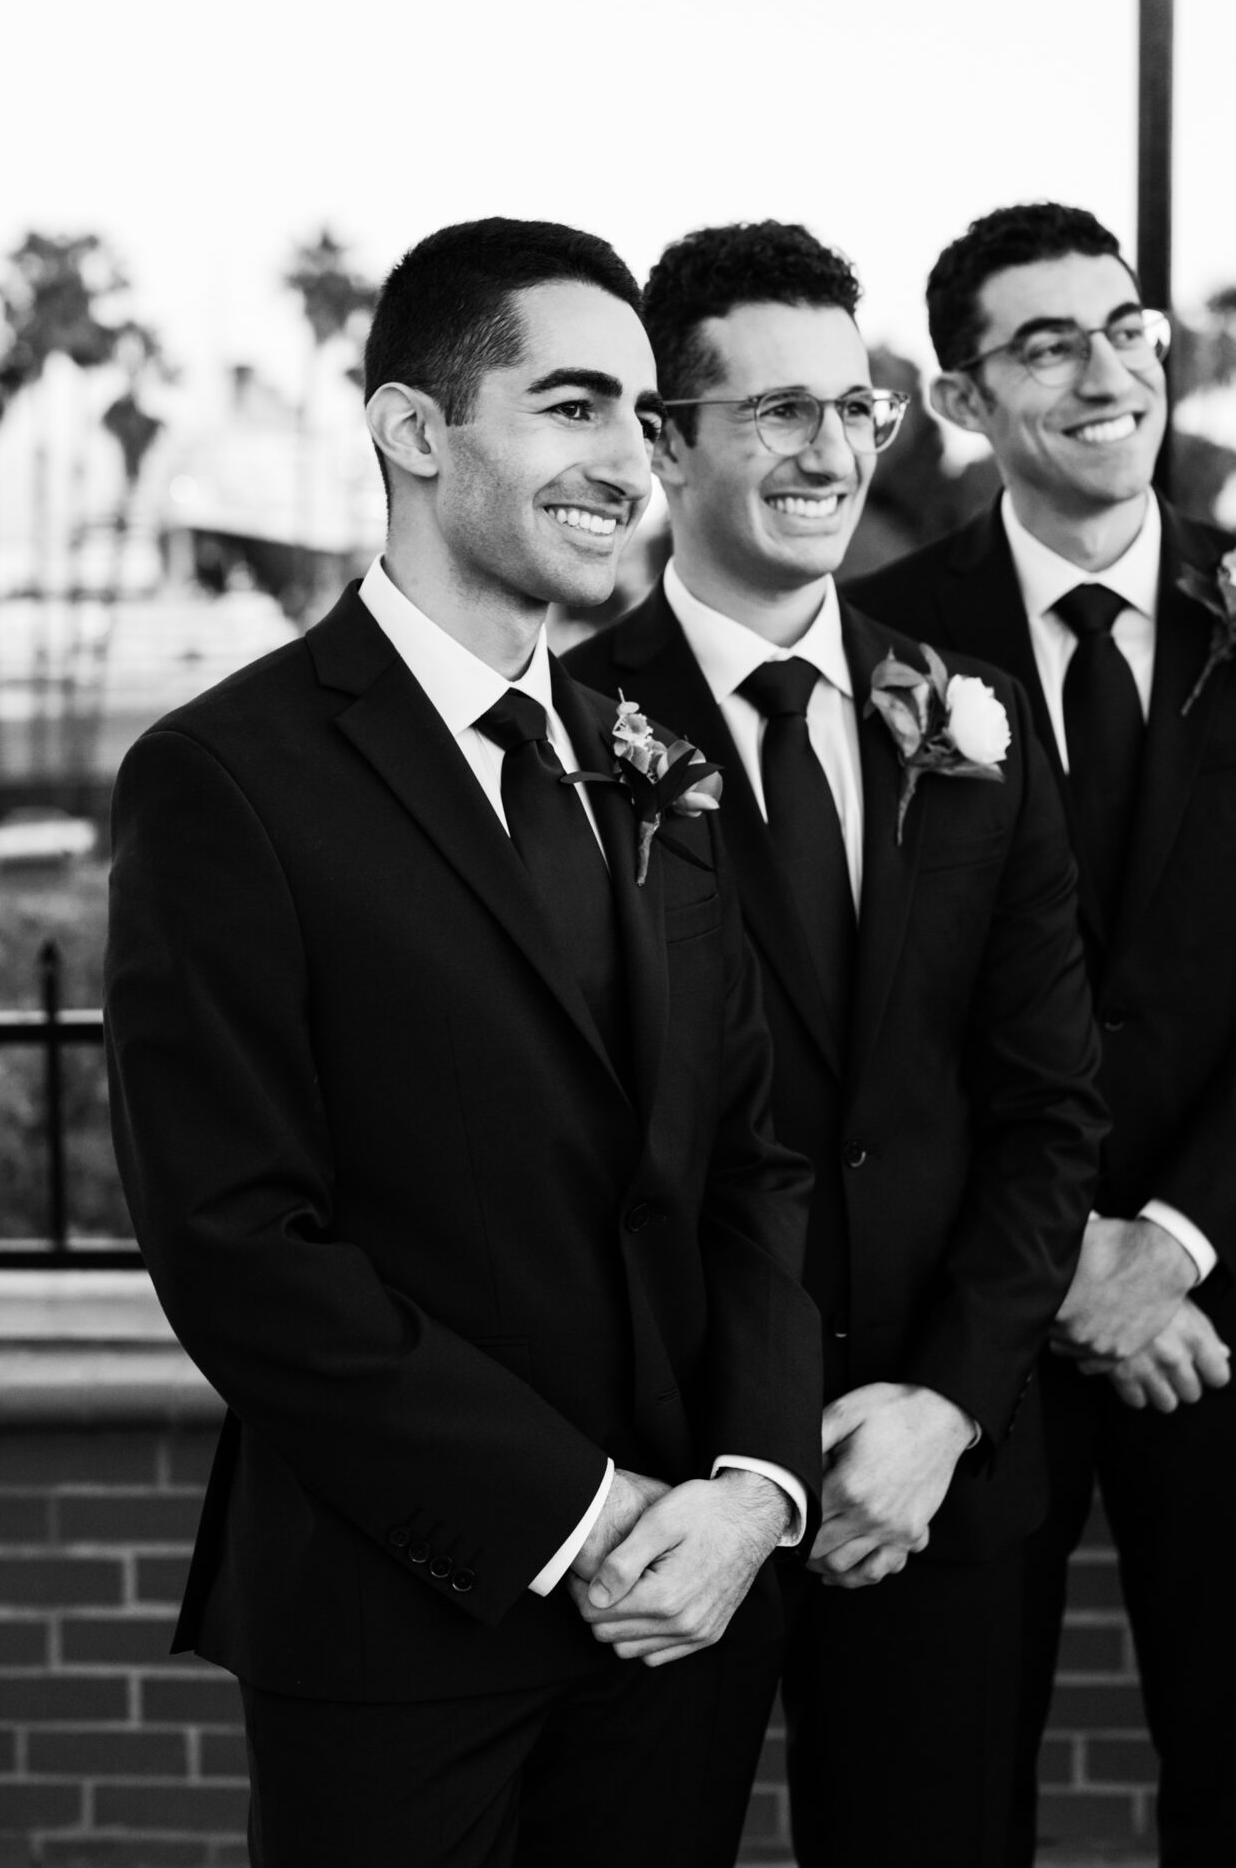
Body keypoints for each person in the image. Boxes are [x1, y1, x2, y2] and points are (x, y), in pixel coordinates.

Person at [103, 216, 823, 1868]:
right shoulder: (229, 781)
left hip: (682, 1622)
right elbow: (238, 1243)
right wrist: (584, 1515)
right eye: (571, 408)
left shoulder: (645, 763)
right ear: (415, 432)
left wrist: (749, 1487)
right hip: (403, 1619)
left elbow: (749, 1165)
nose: (628, 465)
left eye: (642, 420)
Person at [566, 219, 1107, 1868]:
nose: (828, 450)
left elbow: (1045, 1116)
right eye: (774, 413)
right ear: (664, 440)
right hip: (674, 1497)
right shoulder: (567, 732)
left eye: (854, 407)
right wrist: (745, 1454)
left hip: (934, 1492)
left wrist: (943, 1406)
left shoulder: (966, 720)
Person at [851, 199, 1236, 1867]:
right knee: (924, 1808)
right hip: (963, 1330)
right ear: (959, 399)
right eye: (1046, 341)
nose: (1105, 370)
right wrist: (1058, 1254)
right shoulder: (874, 642)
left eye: (1126, 327)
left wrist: (1171, 1237)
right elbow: (850, 991)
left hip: (1226, 1312)